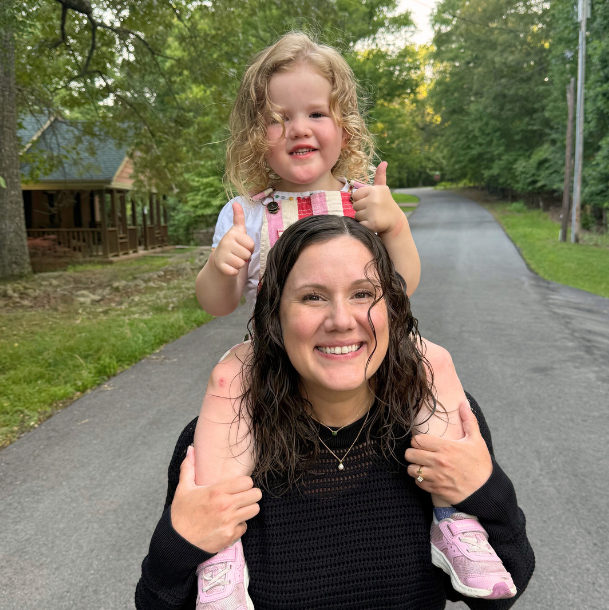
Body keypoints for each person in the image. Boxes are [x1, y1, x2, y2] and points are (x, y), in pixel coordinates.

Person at [185, 32, 516, 607]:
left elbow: (403, 286)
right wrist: (222, 265)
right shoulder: (245, 213)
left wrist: (396, 227)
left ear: (344, 126)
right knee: (223, 381)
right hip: (271, 353)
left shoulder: (365, 201)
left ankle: (455, 520)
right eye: (277, 117)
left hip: (367, 353)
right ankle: (220, 555)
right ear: (252, 134)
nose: (298, 128)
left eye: (316, 112)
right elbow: (217, 302)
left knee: (433, 361)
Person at [136, 214, 533, 609]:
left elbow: (496, 597)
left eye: (363, 294)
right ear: (274, 315)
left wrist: (487, 492)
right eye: (313, 296)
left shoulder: (439, 421)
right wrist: (178, 546)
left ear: (391, 310)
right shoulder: (217, 438)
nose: (342, 321)